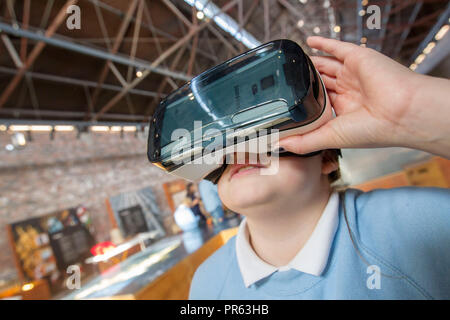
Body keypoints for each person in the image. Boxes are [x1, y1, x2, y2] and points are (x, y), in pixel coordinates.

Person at [189, 36, 450, 299]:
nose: (240, 148)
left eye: (270, 130)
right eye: (224, 142)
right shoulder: (206, 283)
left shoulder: (415, 227)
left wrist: (408, 107)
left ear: (327, 158)